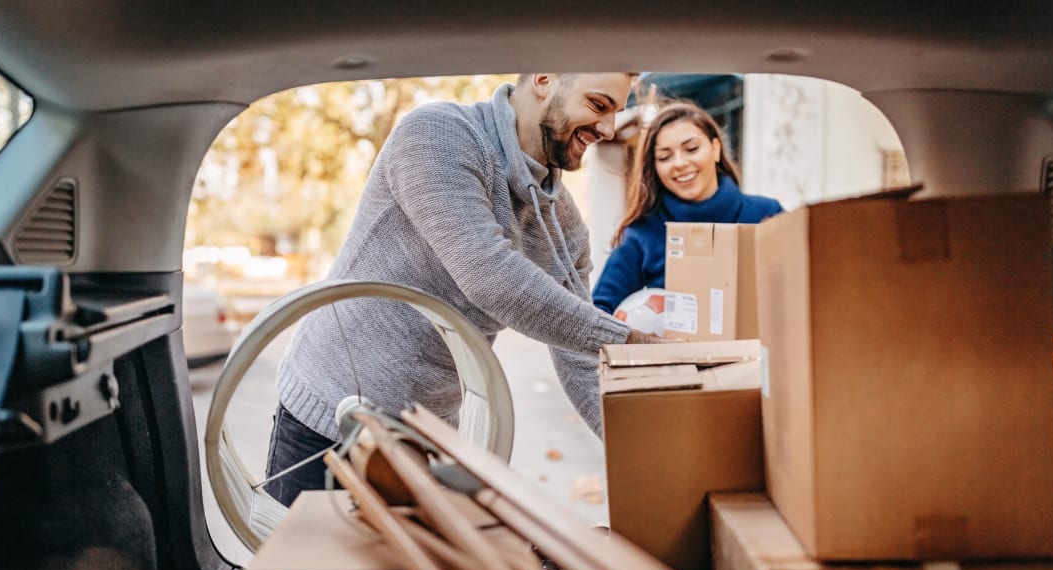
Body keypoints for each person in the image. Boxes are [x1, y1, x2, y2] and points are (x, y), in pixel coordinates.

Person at [265, 73, 663, 507]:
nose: (607, 129)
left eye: (616, 113)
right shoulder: (438, 135)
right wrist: (630, 341)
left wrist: (649, 459)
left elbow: (580, 359)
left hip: (424, 437)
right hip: (329, 415)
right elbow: (491, 277)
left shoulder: (562, 224)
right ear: (545, 78)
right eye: (598, 105)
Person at [592, 102, 783, 314]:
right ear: (655, 167)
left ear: (716, 149)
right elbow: (598, 313)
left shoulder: (768, 216)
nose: (680, 163)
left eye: (691, 149)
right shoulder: (643, 234)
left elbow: (801, 287)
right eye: (665, 157)